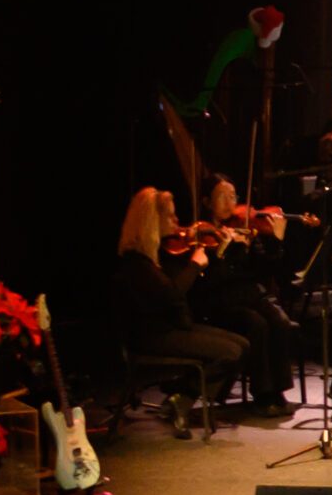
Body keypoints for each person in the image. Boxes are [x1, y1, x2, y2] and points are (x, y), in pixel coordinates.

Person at [114, 188, 249, 436]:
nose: (177, 222)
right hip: (153, 335)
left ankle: (181, 397)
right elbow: (171, 295)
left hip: (172, 327)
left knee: (242, 344)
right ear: (152, 222)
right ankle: (183, 400)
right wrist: (195, 266)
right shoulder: (136, 262)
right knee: (230, 352)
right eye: (170, 218)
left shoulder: (159, 254)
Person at [189, 176, 299, 416]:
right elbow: (210, 280)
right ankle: (262, 394)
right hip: (218, 301)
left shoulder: (246, 228)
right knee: (255, 323)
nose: (231, 202)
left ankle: (278, 391)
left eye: (234, 196)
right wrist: (225, 249)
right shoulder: (202, 233)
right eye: (222, 196)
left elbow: (266, 270)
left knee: (279, 321)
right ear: (207, 201)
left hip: (248, 296)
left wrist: (275, 241)